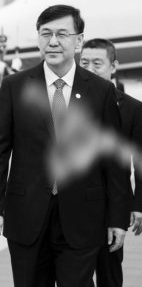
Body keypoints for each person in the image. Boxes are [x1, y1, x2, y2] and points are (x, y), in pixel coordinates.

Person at [0, 4, 131, 286]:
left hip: (83, 217)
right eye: (45, 33)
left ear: (79, 40)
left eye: (62, 34)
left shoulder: (100, 91)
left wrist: (117, 217)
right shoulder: (14, 86)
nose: (53, 41)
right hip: (27, 215)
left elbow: (114, 159)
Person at [80, 38, 142, 286]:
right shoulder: (64, 100)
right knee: (74, 275)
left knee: (109, 275)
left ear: (113, 66)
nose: (90, 69)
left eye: (98, 63)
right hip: (70, 204)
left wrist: (138, 204)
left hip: (111, 205)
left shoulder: (133, 109)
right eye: (84, 62)